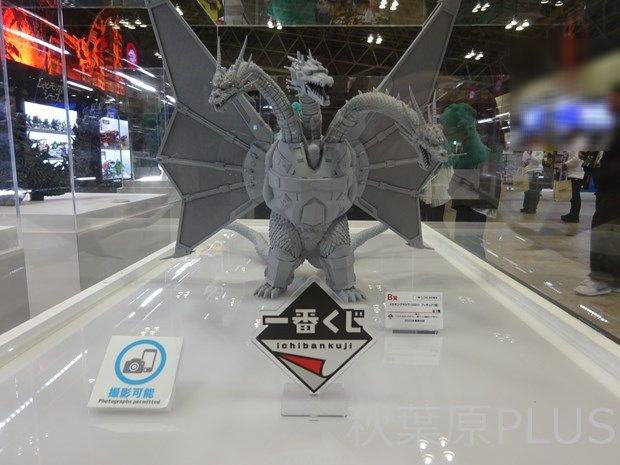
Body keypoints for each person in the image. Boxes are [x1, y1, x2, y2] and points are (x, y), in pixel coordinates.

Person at [575, 85, 620, 296]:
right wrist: (589, 153)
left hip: (615, 184)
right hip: (608, 183)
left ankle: (602, 279)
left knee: (604, 227)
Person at [561, 149, 585, 223]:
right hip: (574, 174)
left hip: (576, 175)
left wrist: (566, 164)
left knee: (575, 196)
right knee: (573, 197)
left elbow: (576, 158)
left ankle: (574, 216)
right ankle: (572, 214)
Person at [521, 150, 544, 214]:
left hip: (536, 172)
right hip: (527, 172)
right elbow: (524, 162)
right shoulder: (526, 151)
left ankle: (532, 208)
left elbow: (537, 161)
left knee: (534, 191)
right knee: (526, 191)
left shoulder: (540, 151)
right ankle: (526, 207)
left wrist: (531, 154)